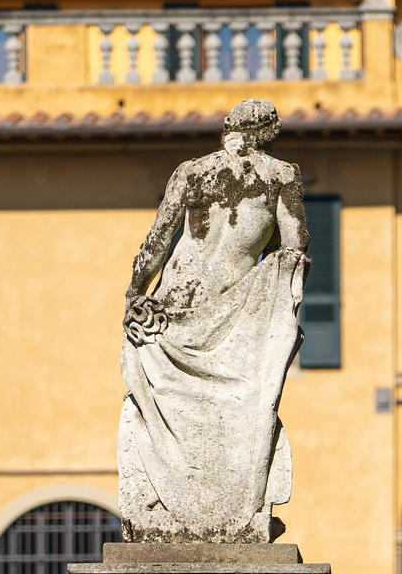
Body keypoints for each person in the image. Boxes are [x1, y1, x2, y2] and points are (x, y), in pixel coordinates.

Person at [118, 98, 310, 543]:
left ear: (228, 130)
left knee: (161, 402)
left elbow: (156, 244)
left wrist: (133, 292)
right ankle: (236, 510)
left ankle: (163, 504)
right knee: (241, 406)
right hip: (235, 307)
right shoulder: (282, 176)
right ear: (268, 134)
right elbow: (295, 246)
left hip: (177, 300)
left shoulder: (192, 172)